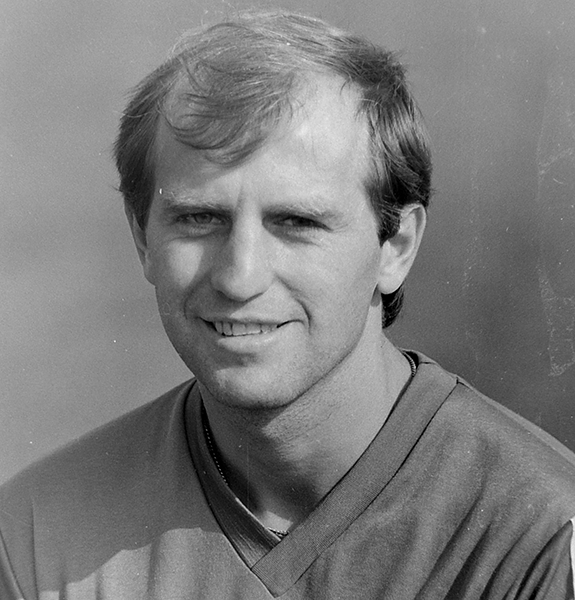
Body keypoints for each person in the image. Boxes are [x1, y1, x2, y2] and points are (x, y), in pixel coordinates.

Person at [1, 10, 575, 599]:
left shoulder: (541, 537)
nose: (240, 277)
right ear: (143, 238)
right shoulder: (39, 534)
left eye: (297, 222)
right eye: (199, 218)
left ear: (396, 246)